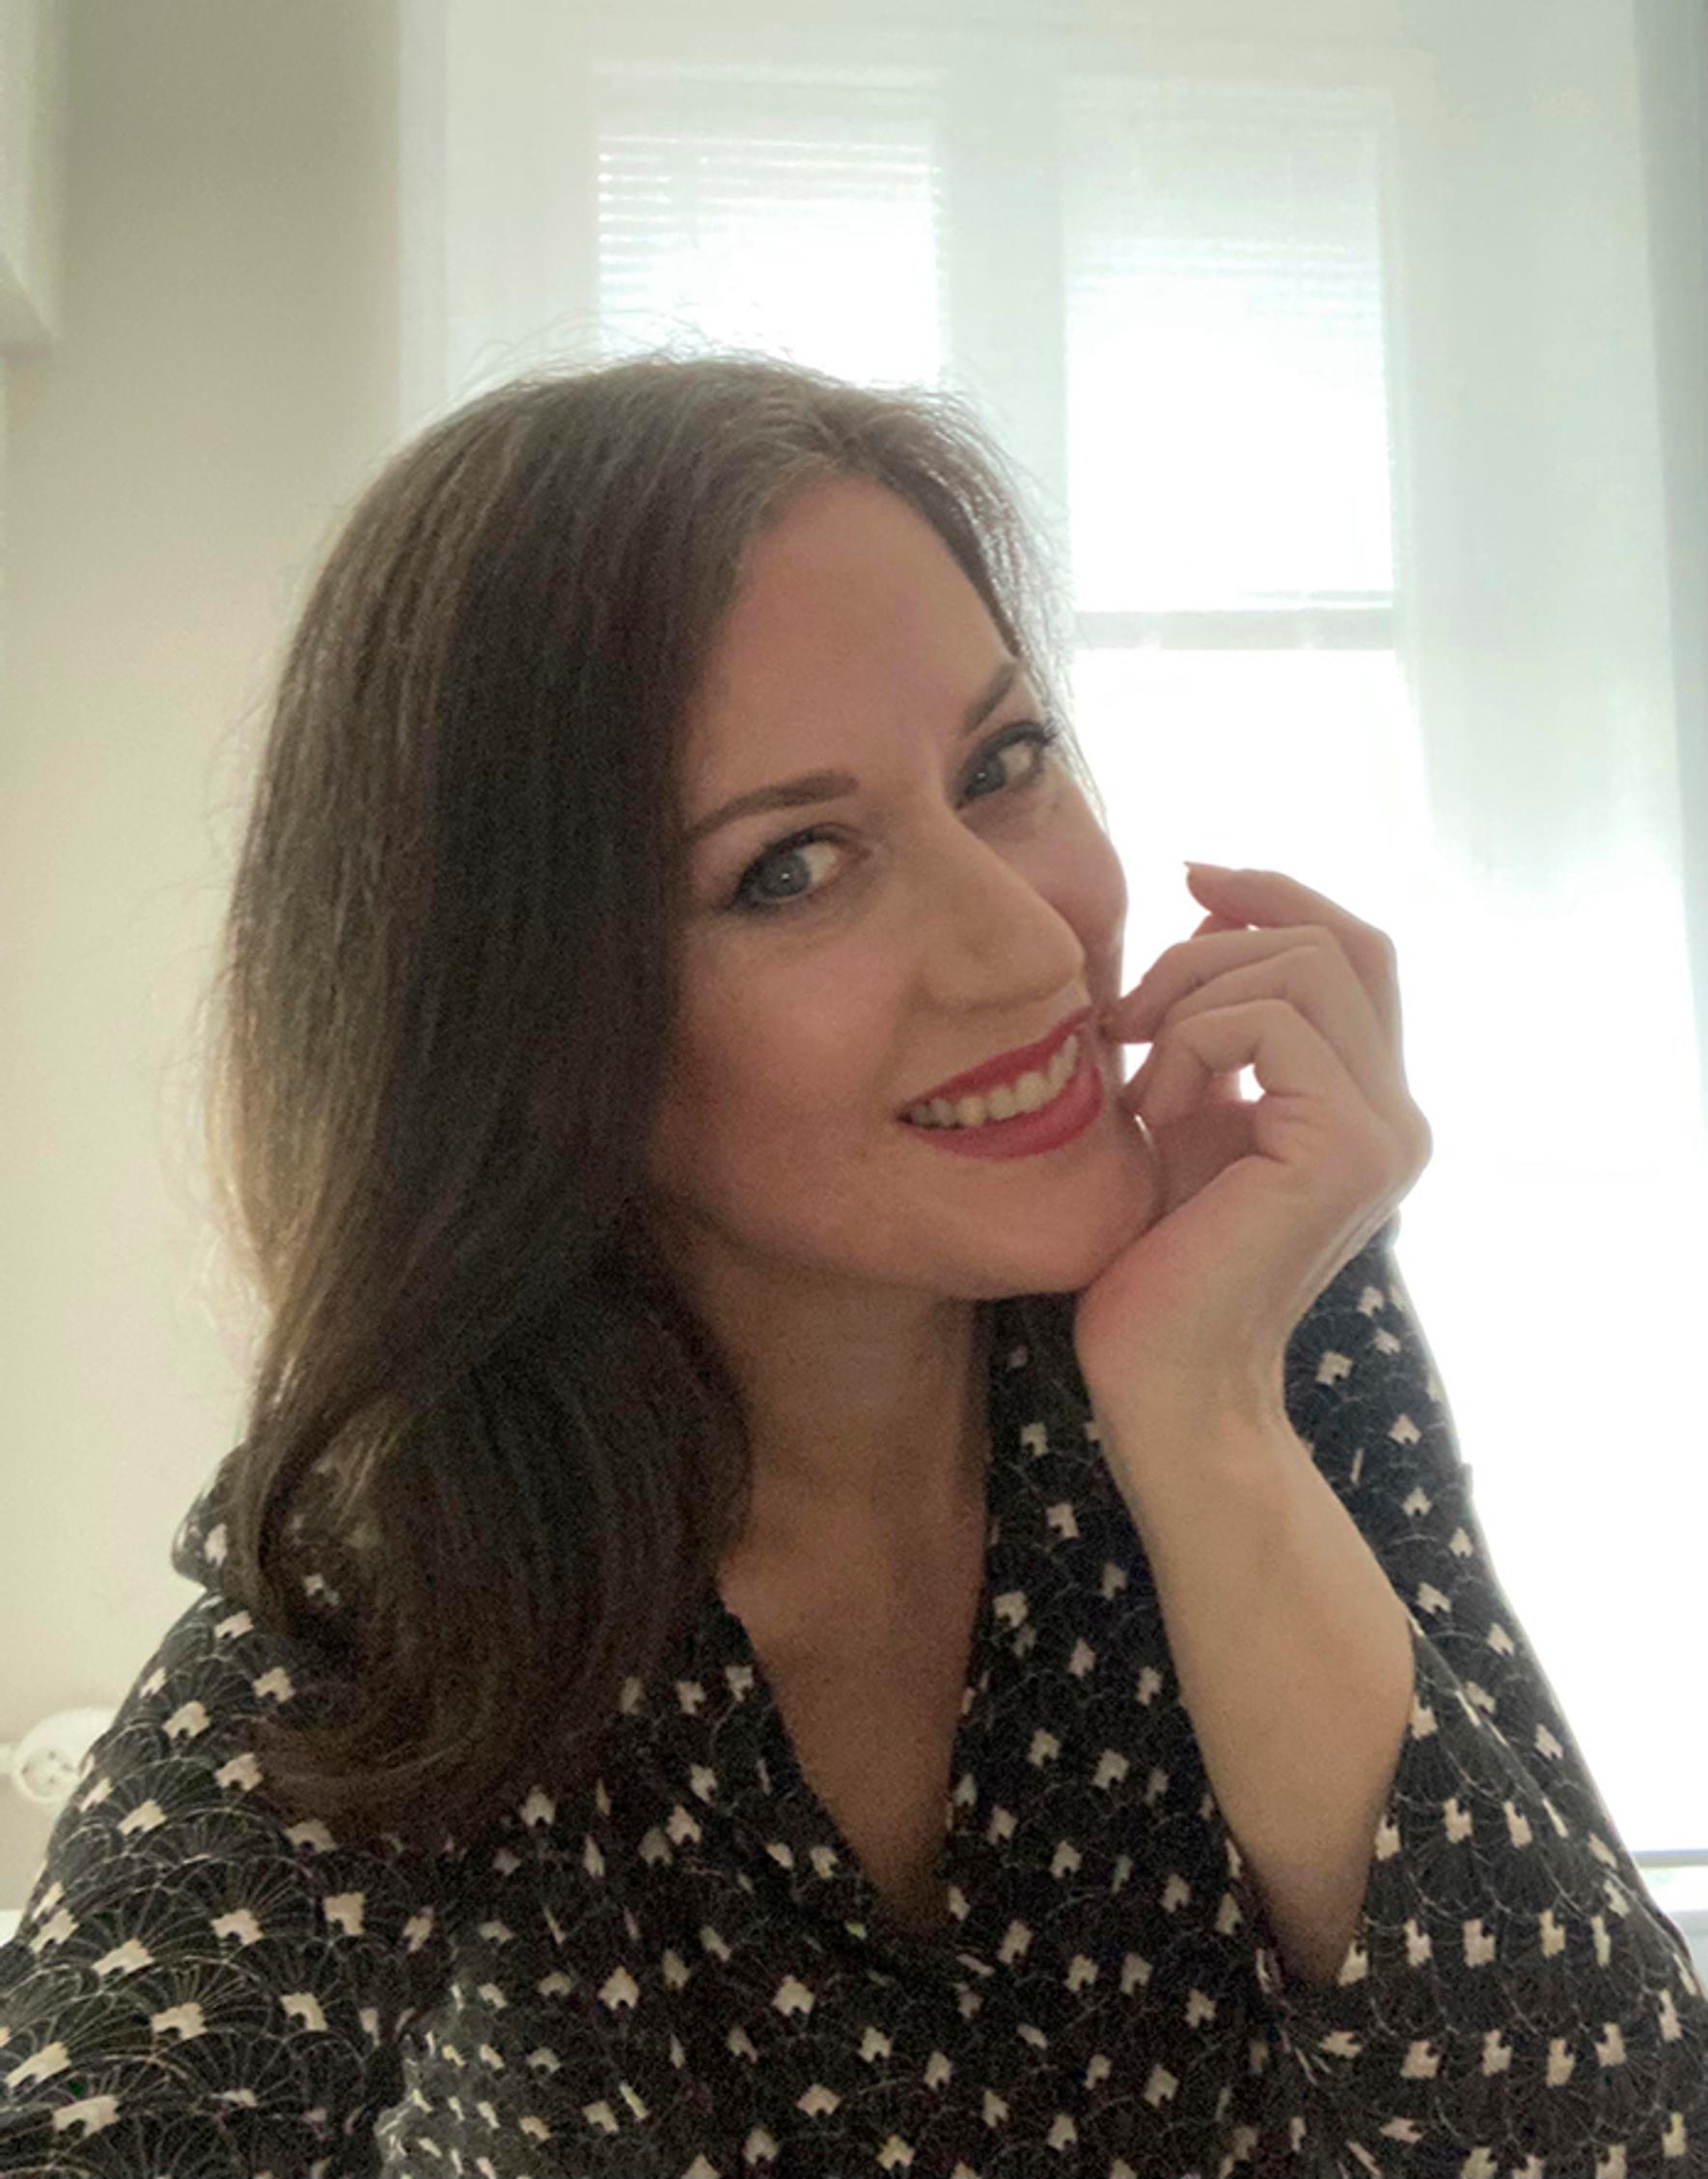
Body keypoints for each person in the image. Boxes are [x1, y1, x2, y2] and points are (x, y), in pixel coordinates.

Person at [2, 349, 1702, 2176]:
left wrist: (1202, 1413)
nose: (1028, 942)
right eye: (792, 867)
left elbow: (1596, 2128)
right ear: (522, 1027)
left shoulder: (1261, 1307)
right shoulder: (412, 1565)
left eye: (1002, 764)